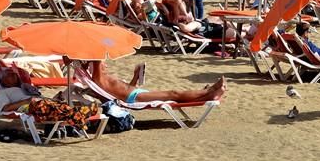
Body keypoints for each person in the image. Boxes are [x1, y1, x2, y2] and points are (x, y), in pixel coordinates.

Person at [0, 68, 97, 130]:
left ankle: (77, 116)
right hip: (30, 106)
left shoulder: (23, 87)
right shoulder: (2, 93)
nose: (15, 75)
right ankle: (79, 116)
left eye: (14, 74)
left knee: (59, 104)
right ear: (3, 81)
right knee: (49, 107)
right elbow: (5, 109)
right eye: (10, 75)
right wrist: (26, 101)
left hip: (42, 102)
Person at [90, 60, 226, 104]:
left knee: (174, 94)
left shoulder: (104, 77)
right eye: (103, 63)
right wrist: (95, 60)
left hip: (135, 92)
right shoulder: (99, 79)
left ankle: (209, 93)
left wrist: (136, 76)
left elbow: (125, 88)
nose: (105, 65)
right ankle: (208, 92)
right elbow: (95, 58)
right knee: (173, 94)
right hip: (134, 97)